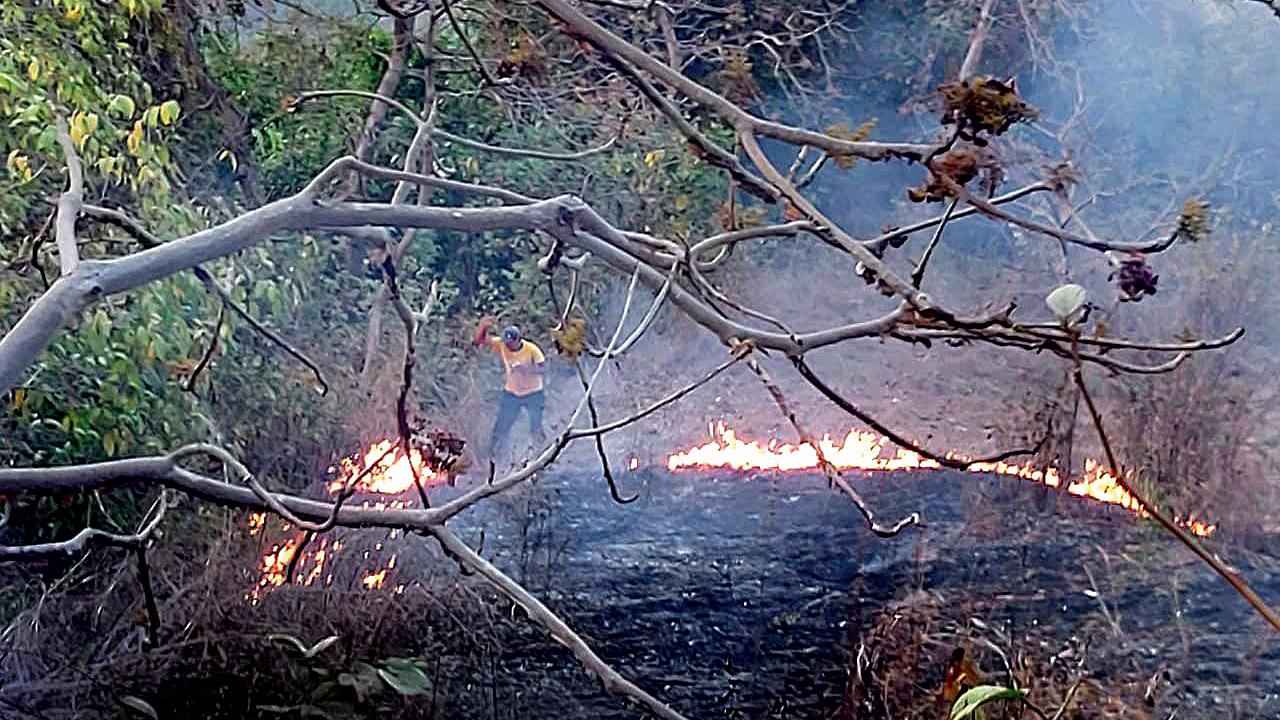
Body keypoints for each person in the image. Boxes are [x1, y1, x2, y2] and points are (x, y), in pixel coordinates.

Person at [473, 316, 547, 457]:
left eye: (510, 343)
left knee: (535, 426)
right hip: (512, 393)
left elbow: (543, 369)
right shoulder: (502, 344)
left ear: (518, 340)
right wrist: (483, 327)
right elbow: (479, 341)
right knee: (501, 427)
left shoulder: (532, 349)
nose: (507, 346)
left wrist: (527, 370)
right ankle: (494, 456)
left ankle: (542, 455)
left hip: (533, 393)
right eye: (505, 342)